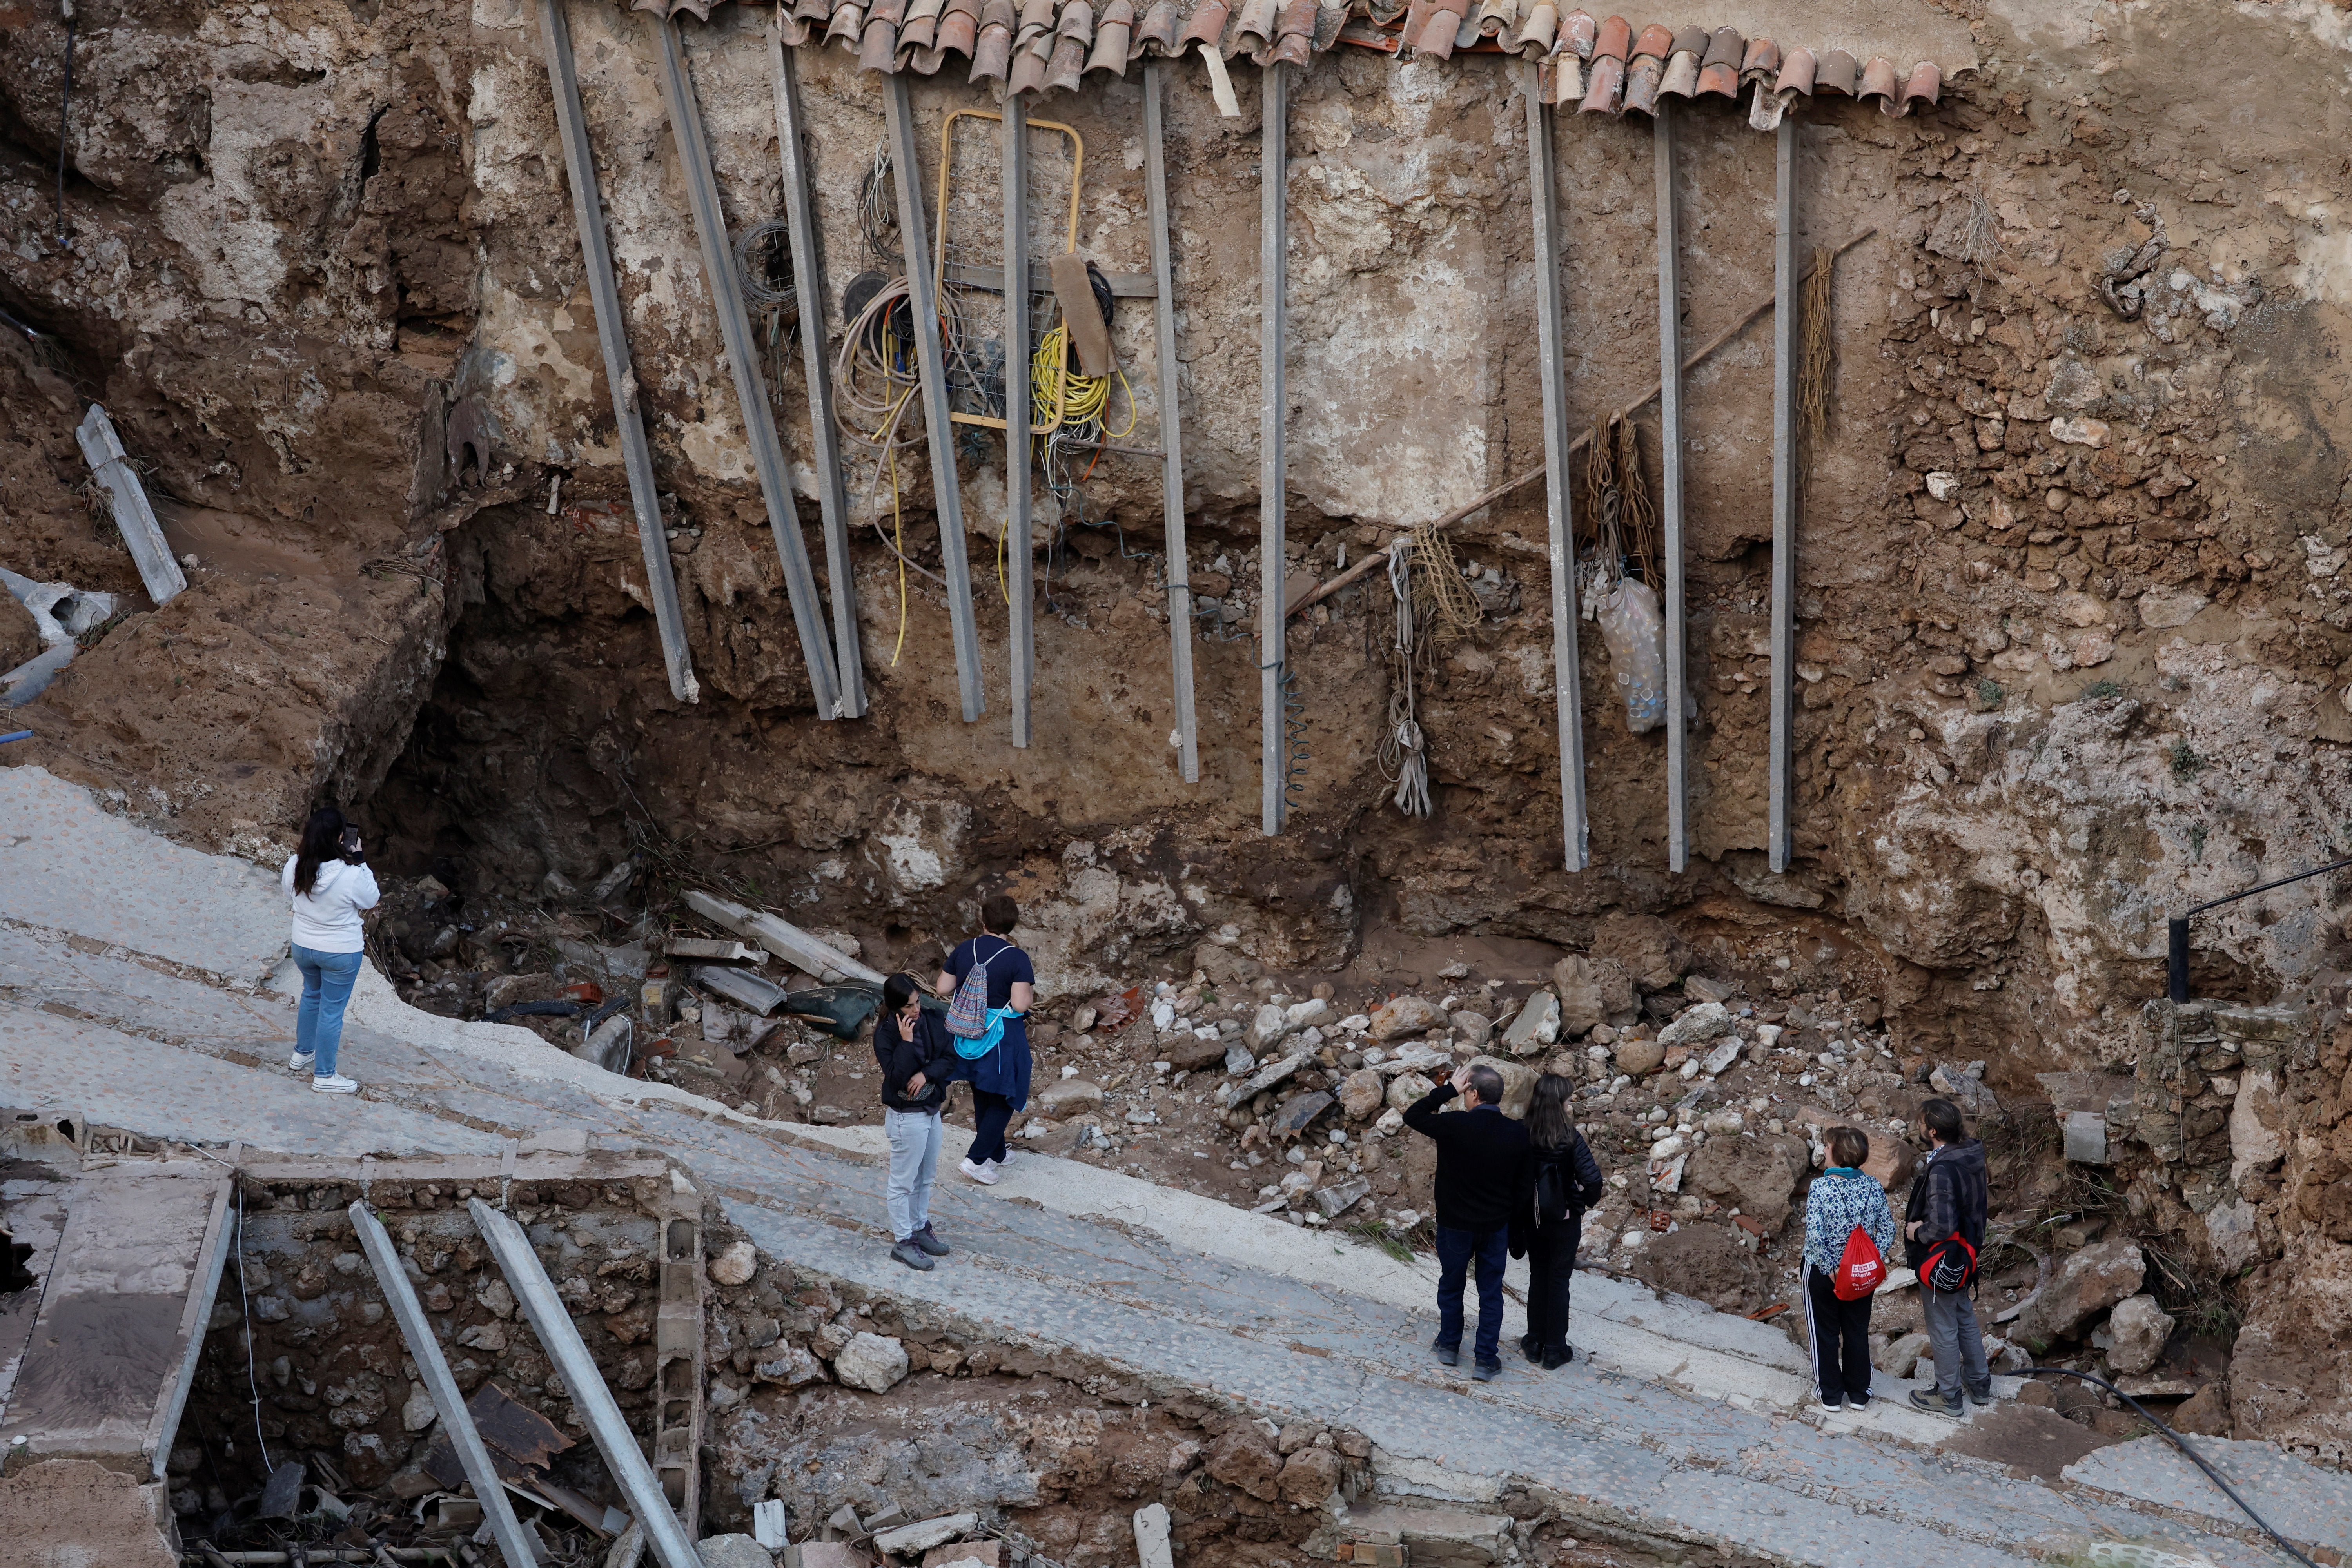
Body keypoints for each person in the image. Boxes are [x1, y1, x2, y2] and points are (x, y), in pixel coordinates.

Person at [1403, 1062, 1532, 1382]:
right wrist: (1516, 1229)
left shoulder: (1455, 1124)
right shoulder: (1518, 1134)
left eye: (1465, 1090)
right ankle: (1486, 1360)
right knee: (1491, 1293)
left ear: (1472, 1093)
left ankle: (1449, 1345)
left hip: (1455, 1225)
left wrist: (1448, 1089)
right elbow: (1524, 1188)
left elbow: (1413, 1115)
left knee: (1452, 1284)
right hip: (1495, 1227)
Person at [936, 893, 1034, 1186]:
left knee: (983, 1089)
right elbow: (1020, 1006)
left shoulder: (966, 949)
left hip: (969, 1032)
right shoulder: (1017, 958)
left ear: (983, 920)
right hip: (1002, 1036)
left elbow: (943, 988)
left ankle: (997, 1153)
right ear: (1013, 925)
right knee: (1007, 1095)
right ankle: (976, 1161)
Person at [280, 807, 378, 1094]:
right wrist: (360, 860)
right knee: (332, 1012)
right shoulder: (351, 874)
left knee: (311, 995)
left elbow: (290, 893)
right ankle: (324, 1076)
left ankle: (302, 1053)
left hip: (303, 947)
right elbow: (371, 898)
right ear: (340, 837)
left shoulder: (296, 864)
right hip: (340, 953)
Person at [1905, 1096, 1992, 1415]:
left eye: (1920, 1124)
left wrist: (1917, 1233)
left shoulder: (1942, 1168)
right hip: (1968, 1254)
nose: (1917, 1128)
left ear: (1932, 1131)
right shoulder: (1972, 1153)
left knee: (1942, 1324)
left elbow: (1941, 1227)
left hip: (1943, 1261)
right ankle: (1980, 1384)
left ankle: (1949, 1395)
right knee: (1964, 1314)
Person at [1802, 1125, 1897, 1411]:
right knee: (1856, 1329)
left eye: (1828, 1147)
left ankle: (1830, 1395)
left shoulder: (1820, 1187)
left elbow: (1815, 1235)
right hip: (1860, 1276)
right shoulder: (1873, 1186)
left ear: (1839, 1154)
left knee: (1824, 1331)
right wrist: (1872, 1261)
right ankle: (1859, 1394)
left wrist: (1829, 1266)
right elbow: (1888, 1230)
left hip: (1822, 1272)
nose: (1825, 1151)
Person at [1514, 1073, 1603, 1370]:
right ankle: (1554, 1349)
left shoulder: (1521, 1132)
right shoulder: (1569, 1137)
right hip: (1564, 1221)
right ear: (1558, 1103)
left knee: (1538, 1277)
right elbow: (1592, 1180)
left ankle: (1534, 1341)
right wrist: (1580, 1203)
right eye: (1567, 1100)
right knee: (1559, 1280)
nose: (1569, 1105)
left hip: (1532, 1219)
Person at [874, 973, 957, 1271]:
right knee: (903, 1182)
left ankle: (920, 1228)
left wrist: (925, 1075)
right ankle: (903, 1240)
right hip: (905, 1118)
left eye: (918, 1002)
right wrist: (907, 1043)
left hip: (931, 1109)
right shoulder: (885, 1036)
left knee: (927, 1175)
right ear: (896, 1008)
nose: (916, 1010)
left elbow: (950, 1058)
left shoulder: (932, 1019)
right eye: (909, 1007)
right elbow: (896, 1077)